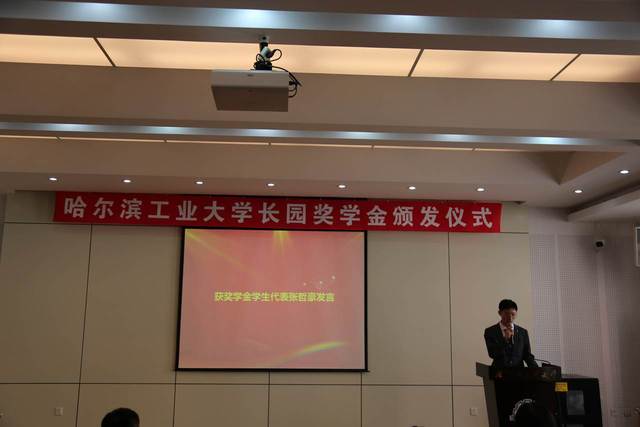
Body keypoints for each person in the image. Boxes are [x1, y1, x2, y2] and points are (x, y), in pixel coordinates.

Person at [484, 299, 537, 368]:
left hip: (519, 372)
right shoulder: (490, 331)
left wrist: (538, 370)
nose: (510, 318)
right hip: (499, 372)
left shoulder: (523, 332)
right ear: (499, 313)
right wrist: (505, 340)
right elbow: (492, 354)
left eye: (513, 314)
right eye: (506, 314)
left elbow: (527, 355)